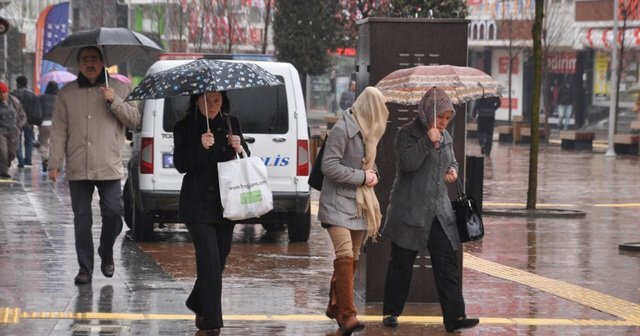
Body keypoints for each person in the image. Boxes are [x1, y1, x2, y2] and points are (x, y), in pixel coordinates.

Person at [381, 87, 479, 333]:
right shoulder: (407, 134)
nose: (444, 123)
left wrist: (452, 171)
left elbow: (451, 160)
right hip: (409, 211)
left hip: (438, 211)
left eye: (448, 119)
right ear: (427, 113)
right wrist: (427, 141)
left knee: (446, 262)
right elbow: (407, 163)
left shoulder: (445, 137)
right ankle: (391, 312)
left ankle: (455, 316)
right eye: (440, 118)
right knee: (401, 264)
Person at [48, 46, 139, 285]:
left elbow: (134, 120)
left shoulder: (119, 88)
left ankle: (106, 250)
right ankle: (85, 268)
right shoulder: (66, 93)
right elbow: (59, 130)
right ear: (78, 64)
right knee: (82, 219)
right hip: (78, 164)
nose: (89, 63)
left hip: (108, 163)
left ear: (102, 62)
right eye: (84, 59)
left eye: (94, 59)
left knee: (113, 212)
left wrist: (114, 101)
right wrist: (54, 163)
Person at [173, 90, 249, 335]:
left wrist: (239, 147)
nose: (212, 105)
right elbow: (181, 164)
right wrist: (200, 146)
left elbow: (245, 158)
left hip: (226, 204)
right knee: (208, 260)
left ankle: (197, 301)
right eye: (207, 100)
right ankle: (211, 321)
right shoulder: (184, 126)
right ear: (196, 100)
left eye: (217, 100)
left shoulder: (231, 123)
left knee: (220, 257)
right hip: (197, 205)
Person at [318, 86, 389, 335]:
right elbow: (329, 166)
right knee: (345, 254)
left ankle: (335, 305)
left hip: (358, 203)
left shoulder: (369, 132)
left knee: (354, 256)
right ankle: (348, 315)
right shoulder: (342, 129)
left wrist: (373, 175)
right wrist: (361, 177)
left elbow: (369, 163)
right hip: (336, 203)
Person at [0, 81, 26, 179]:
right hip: (1, 131)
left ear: (7, 92)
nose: (3, 95)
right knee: (3, 152)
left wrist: (18, 126)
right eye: (0, 93)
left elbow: (22, 116)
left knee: (11, 152)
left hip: (13, 131)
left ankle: (4, 166)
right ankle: (3, 171)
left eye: (4, 92)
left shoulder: (15, 102)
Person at [13, 75, 39, 168]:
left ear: (18, 83)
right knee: (29, 140)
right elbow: (36, 108)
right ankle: (28, 160)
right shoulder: (32, 94)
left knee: (17, 140)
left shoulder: (14, 94)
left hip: (17, 121)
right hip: (29, 121)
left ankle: (20, 161)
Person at [37, 81, 58, 172]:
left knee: (44, 143)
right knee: (55, 143)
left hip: (44, 123)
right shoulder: (59, 98)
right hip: (56, 124)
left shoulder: (41, 98)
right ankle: (53, 162)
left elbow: (37, 109)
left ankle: (45, 159)